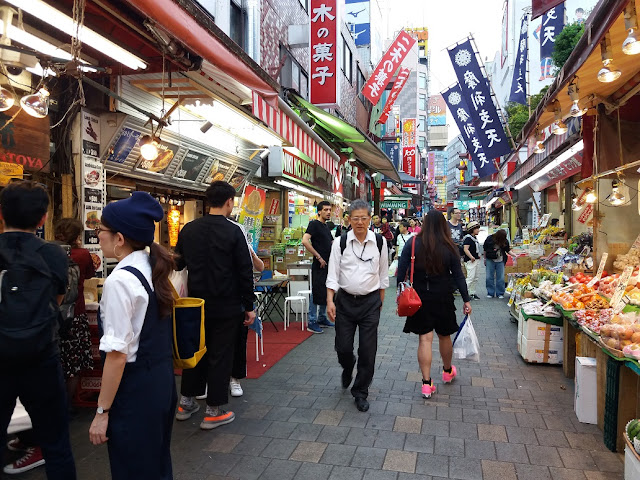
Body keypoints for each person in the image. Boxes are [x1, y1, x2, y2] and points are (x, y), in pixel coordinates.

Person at [89, 192, 176, 479]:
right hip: (161, 384)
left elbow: (117, 355)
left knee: (134, 469)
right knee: (157, 464)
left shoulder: (120, 280)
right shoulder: (151, 267)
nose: (98, 236)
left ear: (120, 238)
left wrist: (102, 412)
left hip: (136, 390)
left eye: (101, 230)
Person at [0, 181, 77, 479]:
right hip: (42, 358)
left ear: (2, 214)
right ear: (43, 218)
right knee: (56, 441)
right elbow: (57, 301)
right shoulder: (54, 254)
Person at [173, 181, 255, 429]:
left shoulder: (189, 229)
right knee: (220, 355)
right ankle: (213, 410)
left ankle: (186, 402)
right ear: (229, 201)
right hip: (226, 305)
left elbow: (177, 264)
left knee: (195, 351)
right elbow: (245, 270)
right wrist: (249, 305)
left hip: (194, 305)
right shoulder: (234, 232)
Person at [397, 210, 472, 399]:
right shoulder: (449, 246)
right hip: (443, 297)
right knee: (444, 336)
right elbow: (458, 276)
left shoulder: (413, 243)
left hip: (418, 298)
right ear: (442, 225)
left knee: (425, 339)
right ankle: (447, 372)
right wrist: (466, 299)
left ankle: (426, 383)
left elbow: (401, 270)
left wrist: (400, 294)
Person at [327, 199, 389, 413]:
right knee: (343, 347)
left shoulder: (380, 242)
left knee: (368, 350)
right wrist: (329, 301)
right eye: (356, 219)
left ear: (370, 219)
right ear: (349, 220)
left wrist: (380, 301)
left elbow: (383, 275)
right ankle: (347, 365)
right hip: (344, 301)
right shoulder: (340, 242)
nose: (360, 222)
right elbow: (332, 274)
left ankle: (360, 391)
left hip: (370, 302)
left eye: (364, 218)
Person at [54, 218, 96, 407]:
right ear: (77, 236)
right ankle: (68, 404)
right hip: (75, 313)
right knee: (74, 364)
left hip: (53, 314)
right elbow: (89, 275)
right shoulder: (82, 254)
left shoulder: (49, 252)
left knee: (56, 361)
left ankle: (53, 403)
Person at [302, 201, 336, 333]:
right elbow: (305, 241)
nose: (328, 212)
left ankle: (322, 318)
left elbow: (330, 243)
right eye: (326, 210)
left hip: (328, 264)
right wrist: (318, 256)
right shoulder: (314, 224)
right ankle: (312, 321)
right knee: (316, 291)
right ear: (319, 211)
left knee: (325, 290)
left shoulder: (325, 226)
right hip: (319, 264)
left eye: (329, 210)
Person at [484, 229, 515, 299]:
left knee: (500, 278)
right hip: (490, 259)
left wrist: (514, 255)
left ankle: (500, 293)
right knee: (489, 277)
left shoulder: (505, 241)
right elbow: (485, 249)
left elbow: (508, 250)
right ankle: (490, 293)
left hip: (500, 260)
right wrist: (485, 259)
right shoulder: (490, 239)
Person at [462, 221, 481, 300]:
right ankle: (465, 293)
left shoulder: (474, 238)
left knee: (475, 277)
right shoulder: (468, 238)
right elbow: (465, 249)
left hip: (475, 260)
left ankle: (472, 292)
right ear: (472, 229)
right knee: (470, 277)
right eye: (477, 229)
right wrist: (471, 257)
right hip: (471, 261)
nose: (478, 230)